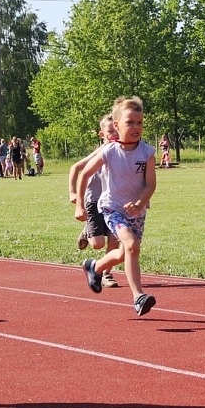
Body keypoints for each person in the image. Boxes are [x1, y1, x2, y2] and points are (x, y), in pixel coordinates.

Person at [75, 96, 157, 316]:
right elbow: (84, 174)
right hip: (113, 209)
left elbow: (150, 184)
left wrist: (140, 202)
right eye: (130, 122)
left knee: (124, 253)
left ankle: (95, 267)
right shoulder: (109, 151)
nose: (136, 127)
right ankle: (138, 296)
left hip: (137, 211)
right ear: (117, 126)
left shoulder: (147, 152)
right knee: (131, 246)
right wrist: (80, 206)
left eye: (139, 123)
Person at [69, 114, 120, 287]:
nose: (115, 134)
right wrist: (73, 194)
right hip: (93, 200)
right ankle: (86, 232)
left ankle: (106, 274)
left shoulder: (122, 150)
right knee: (98, 244)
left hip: (112, 203)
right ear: (102, 134)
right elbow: (75, 168)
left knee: (114, 240)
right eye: (110, 131)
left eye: (117, 130)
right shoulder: (100, 152)